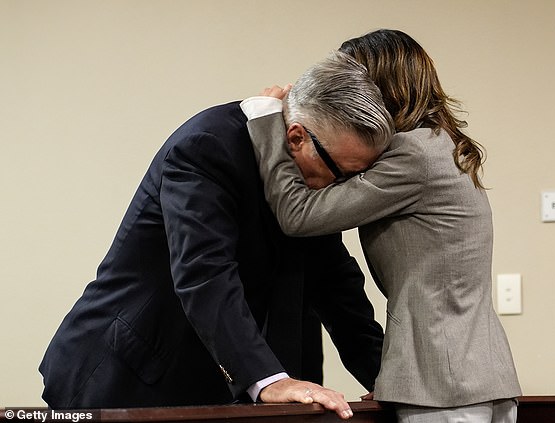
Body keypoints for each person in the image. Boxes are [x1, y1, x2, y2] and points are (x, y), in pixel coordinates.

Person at [39, 51, 394, 420]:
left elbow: (336, 285)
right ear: (296, 137)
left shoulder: (313, 183)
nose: (344, 189)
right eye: (341, 173)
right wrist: (268, 380)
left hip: (211, 385)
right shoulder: (209, 145)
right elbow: (204, 271)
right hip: (127, 374)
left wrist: (389, 381)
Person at [243, 29, 522, 422]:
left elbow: (300, 215)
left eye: (351, 79)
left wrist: (265, 119)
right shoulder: (443, 144)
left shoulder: (414, 152)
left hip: (441, 387)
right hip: (470, 377)